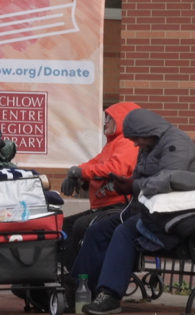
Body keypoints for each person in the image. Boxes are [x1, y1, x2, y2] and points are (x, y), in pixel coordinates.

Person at [70, 108, 195, 314]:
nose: (135, 144)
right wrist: (125, 183)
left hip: (170, 213)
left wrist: (132, 185)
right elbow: (141, 176)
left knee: (125, 232)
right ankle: (77, 291)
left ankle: (110, 295)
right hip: (145, 209)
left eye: (136, 138)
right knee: (97, 231)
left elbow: (169, 179)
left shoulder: (177, 144)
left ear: (147, 130)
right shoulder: (148, 144)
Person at [59, 102, 141, 273]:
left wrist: (80, 172)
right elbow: (91, 164)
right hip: (101, 207)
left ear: (122, 120)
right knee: (63, 225)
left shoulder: (126, 143)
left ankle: (81, 279)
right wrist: (73, 174)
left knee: (81, 226)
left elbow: (114, 169)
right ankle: (67, 273)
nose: (105, 122)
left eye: (110, 118)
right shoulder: (110, 145)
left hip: (118, 206)